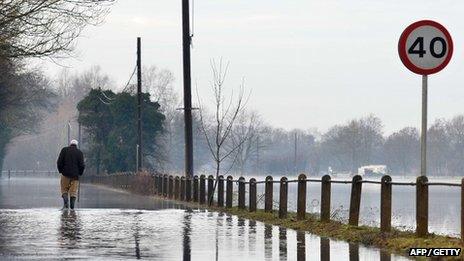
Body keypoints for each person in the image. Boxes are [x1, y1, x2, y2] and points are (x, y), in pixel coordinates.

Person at [57, 139, 85, 209]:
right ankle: (72, 207)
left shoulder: (64, 150)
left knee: (64, 189)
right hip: (75, 176)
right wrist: (80, 173)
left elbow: (59, 162)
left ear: (70, 144)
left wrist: (61, 170)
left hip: (65, 174)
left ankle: (66, 202)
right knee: (73, 192)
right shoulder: (79, 153)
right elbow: (82, 165)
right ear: (76, 145)